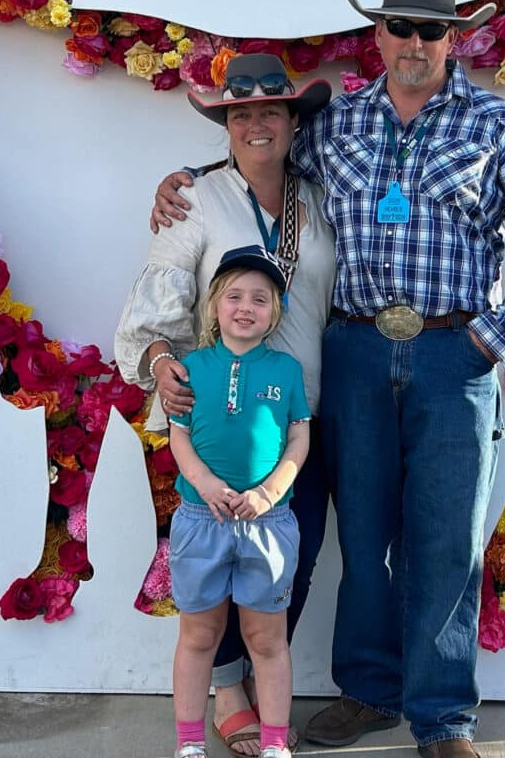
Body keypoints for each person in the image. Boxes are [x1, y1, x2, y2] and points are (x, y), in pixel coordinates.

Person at [151, 0, 505, 758]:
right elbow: (262, 157)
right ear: (378, 35)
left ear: (452, 39)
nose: (415, 42)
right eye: (401, 26)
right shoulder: (339, 124)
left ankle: (444, 716)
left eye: (432, 29)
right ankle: (369, 689)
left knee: (448, 534)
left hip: (457, 351)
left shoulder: (497, 125)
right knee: (367, 532)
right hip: (351, 347)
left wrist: (496, 336)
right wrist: (187, 181)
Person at [115, 54, 336, 756]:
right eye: (241, 114)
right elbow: (162, 285)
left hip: (302, 412)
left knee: (283, 562)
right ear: (226, 124)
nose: (257, 124)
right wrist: (156, 360)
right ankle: (229, 689)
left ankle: (259, 685)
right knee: (214, 556)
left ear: (293, 120)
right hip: (222, 417)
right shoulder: (196, 197)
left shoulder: (320, 195)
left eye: (272, 110)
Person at [164, 245, 310, 758]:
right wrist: (203, 482)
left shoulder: (287, 371)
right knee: (199, 636)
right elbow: (178, 436)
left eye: (261, 299)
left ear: (276, 311)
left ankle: (274, 743)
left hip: (267, 525)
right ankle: (189, 743)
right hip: (200, 521)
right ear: (214, 305)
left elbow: (298, 439)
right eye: (234, 296)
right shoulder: (191, 368)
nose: (246, 307)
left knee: (266, 639)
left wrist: (270, 492)